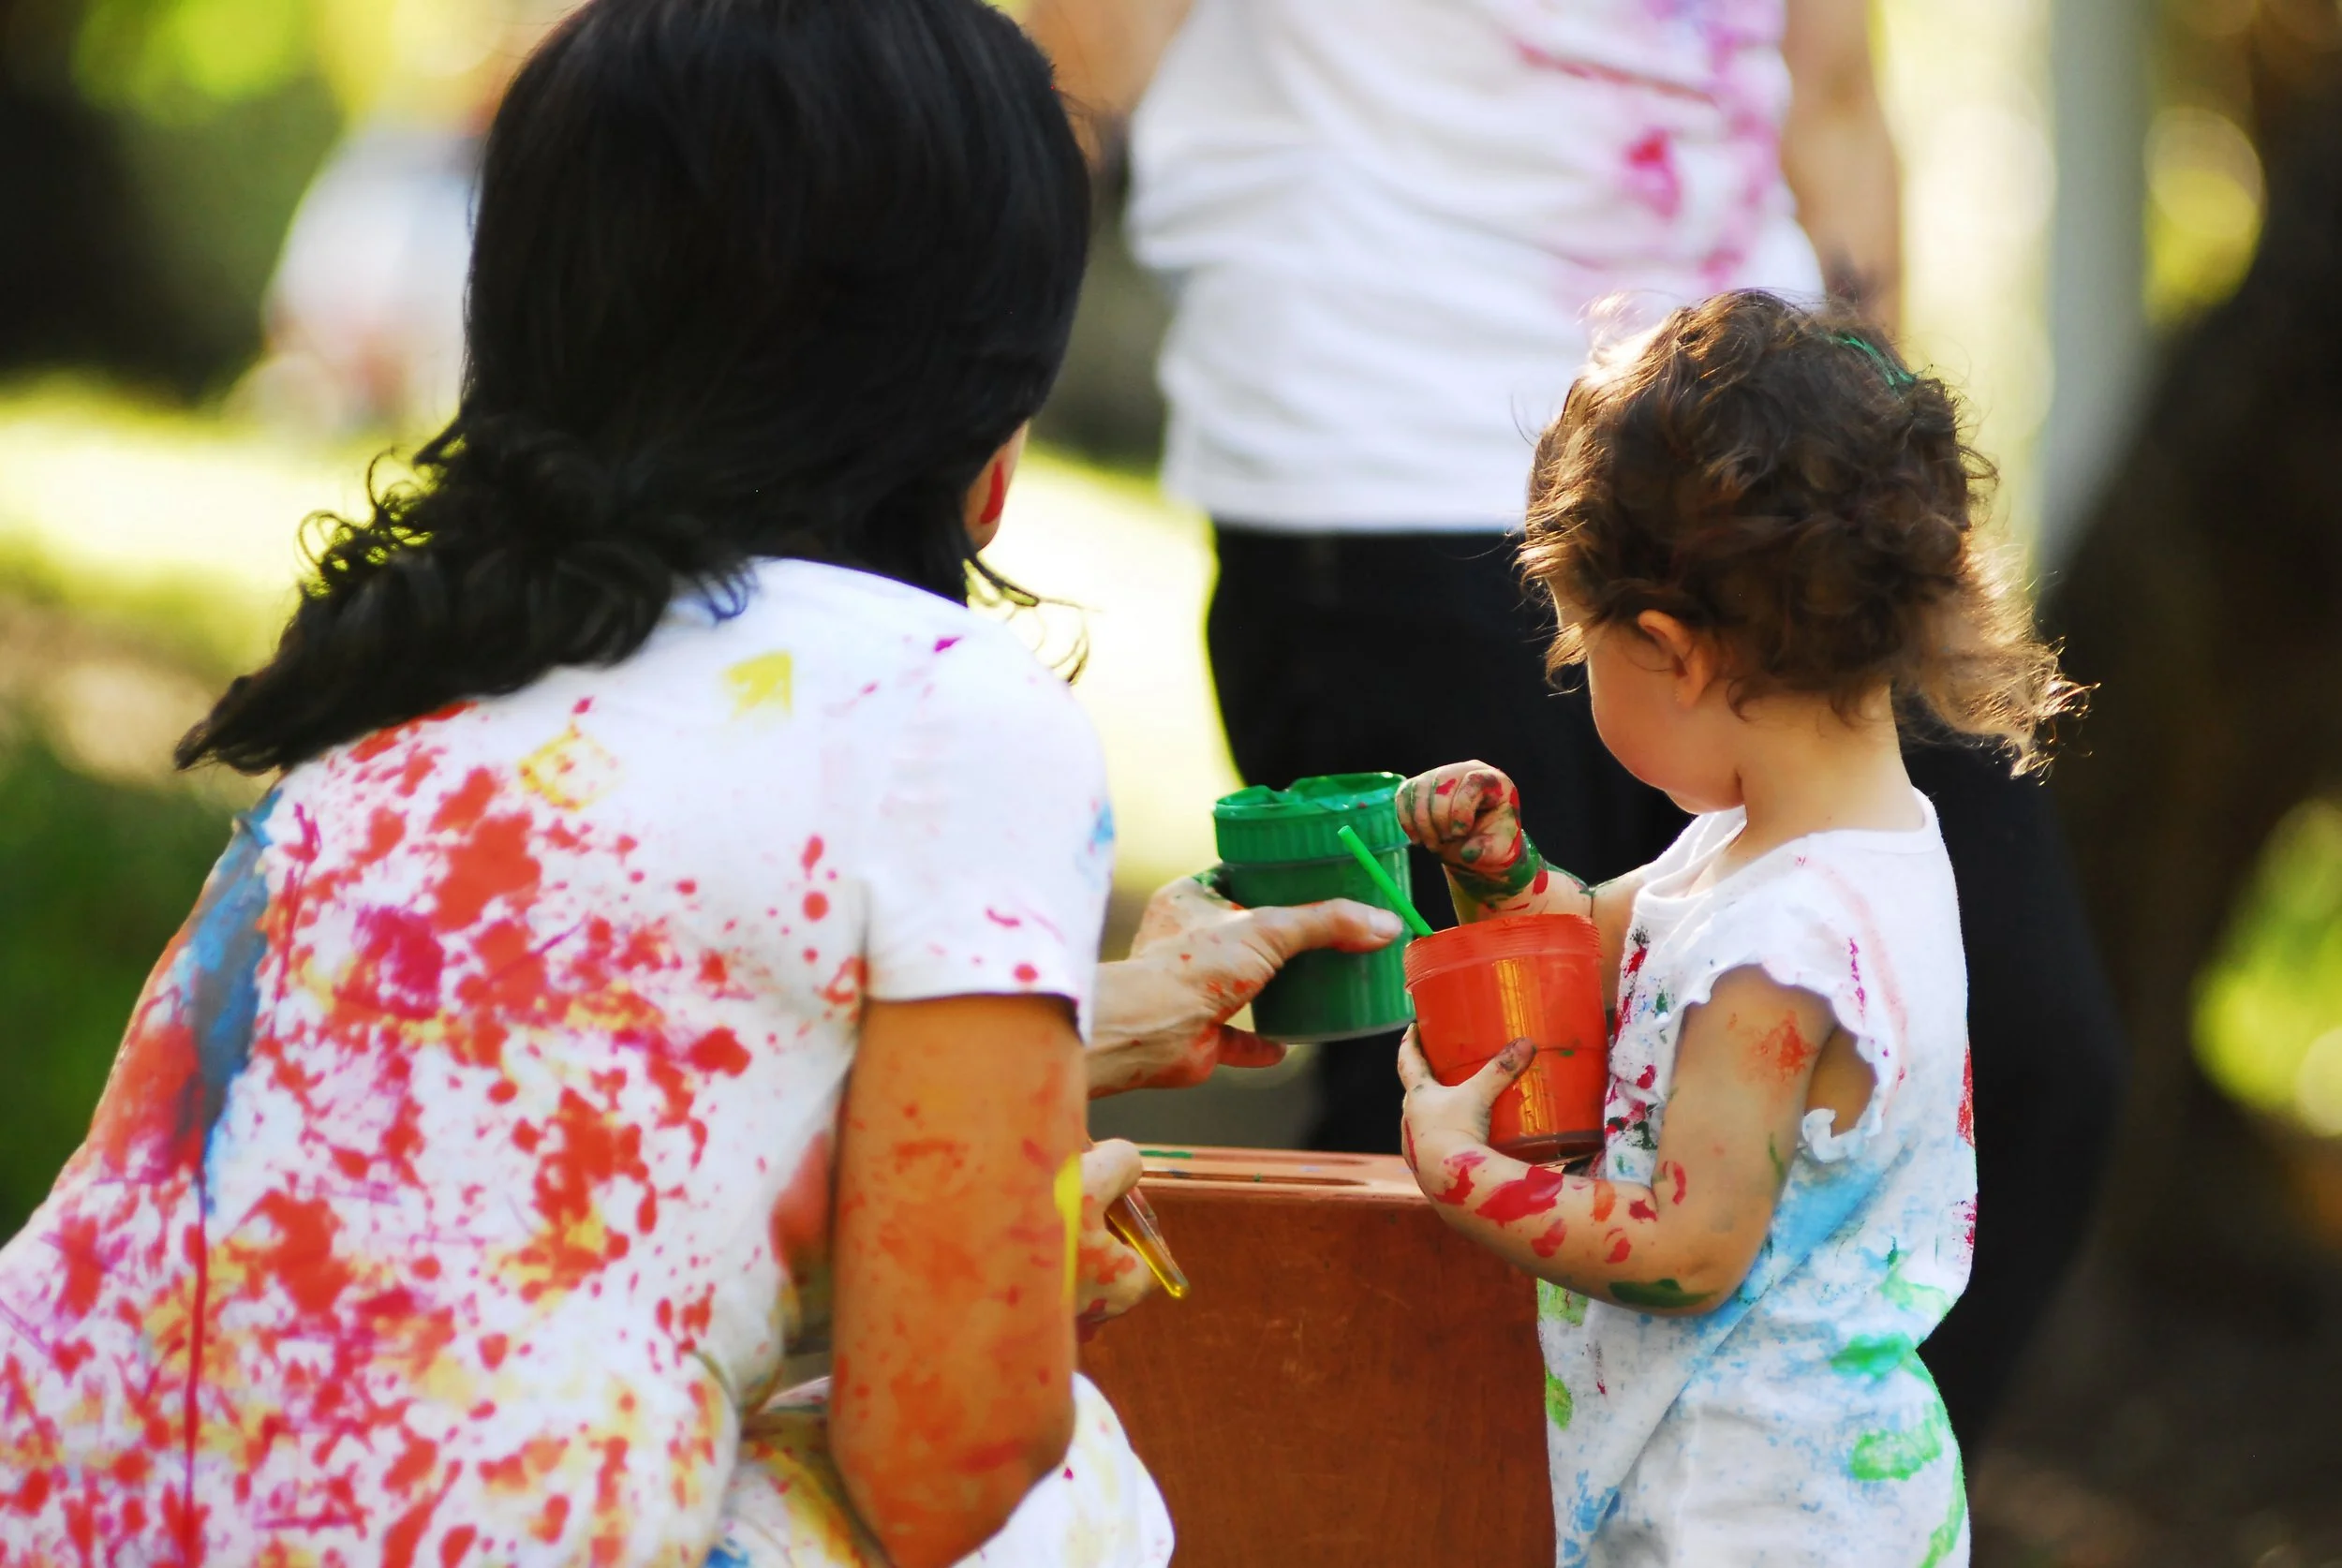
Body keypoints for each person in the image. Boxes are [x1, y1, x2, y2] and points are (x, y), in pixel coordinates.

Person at [0, 3, 1397, 1563]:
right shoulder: (943, 706)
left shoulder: (416, 684)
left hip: (64, 1504)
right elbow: (947, 1457)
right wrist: (1015, 1250)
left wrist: (1105, 1018)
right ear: (992, 440)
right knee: (1077, 1506)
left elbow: (563, 1144)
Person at [1022, 0, 2127, 1447]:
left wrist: (1866, 514)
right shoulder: (1719, 866)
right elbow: (1074, 68)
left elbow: (1837, 104)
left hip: (1769, 492)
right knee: (1452, 1079)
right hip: (1386, 452)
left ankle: (1765, 1462)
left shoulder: (1800, 862)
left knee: (2035, 1045)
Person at [1392, 290, 2076, 1563]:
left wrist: (1461, 1178)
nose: (1570, 673)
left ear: (1675, 650)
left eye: (1579, 648)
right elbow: (1581, 949)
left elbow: (1689, 1249)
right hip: (1771, 1486)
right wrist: (1498, 871)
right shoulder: (1797, 849)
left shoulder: (1785, 951)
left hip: (1752, 1517)